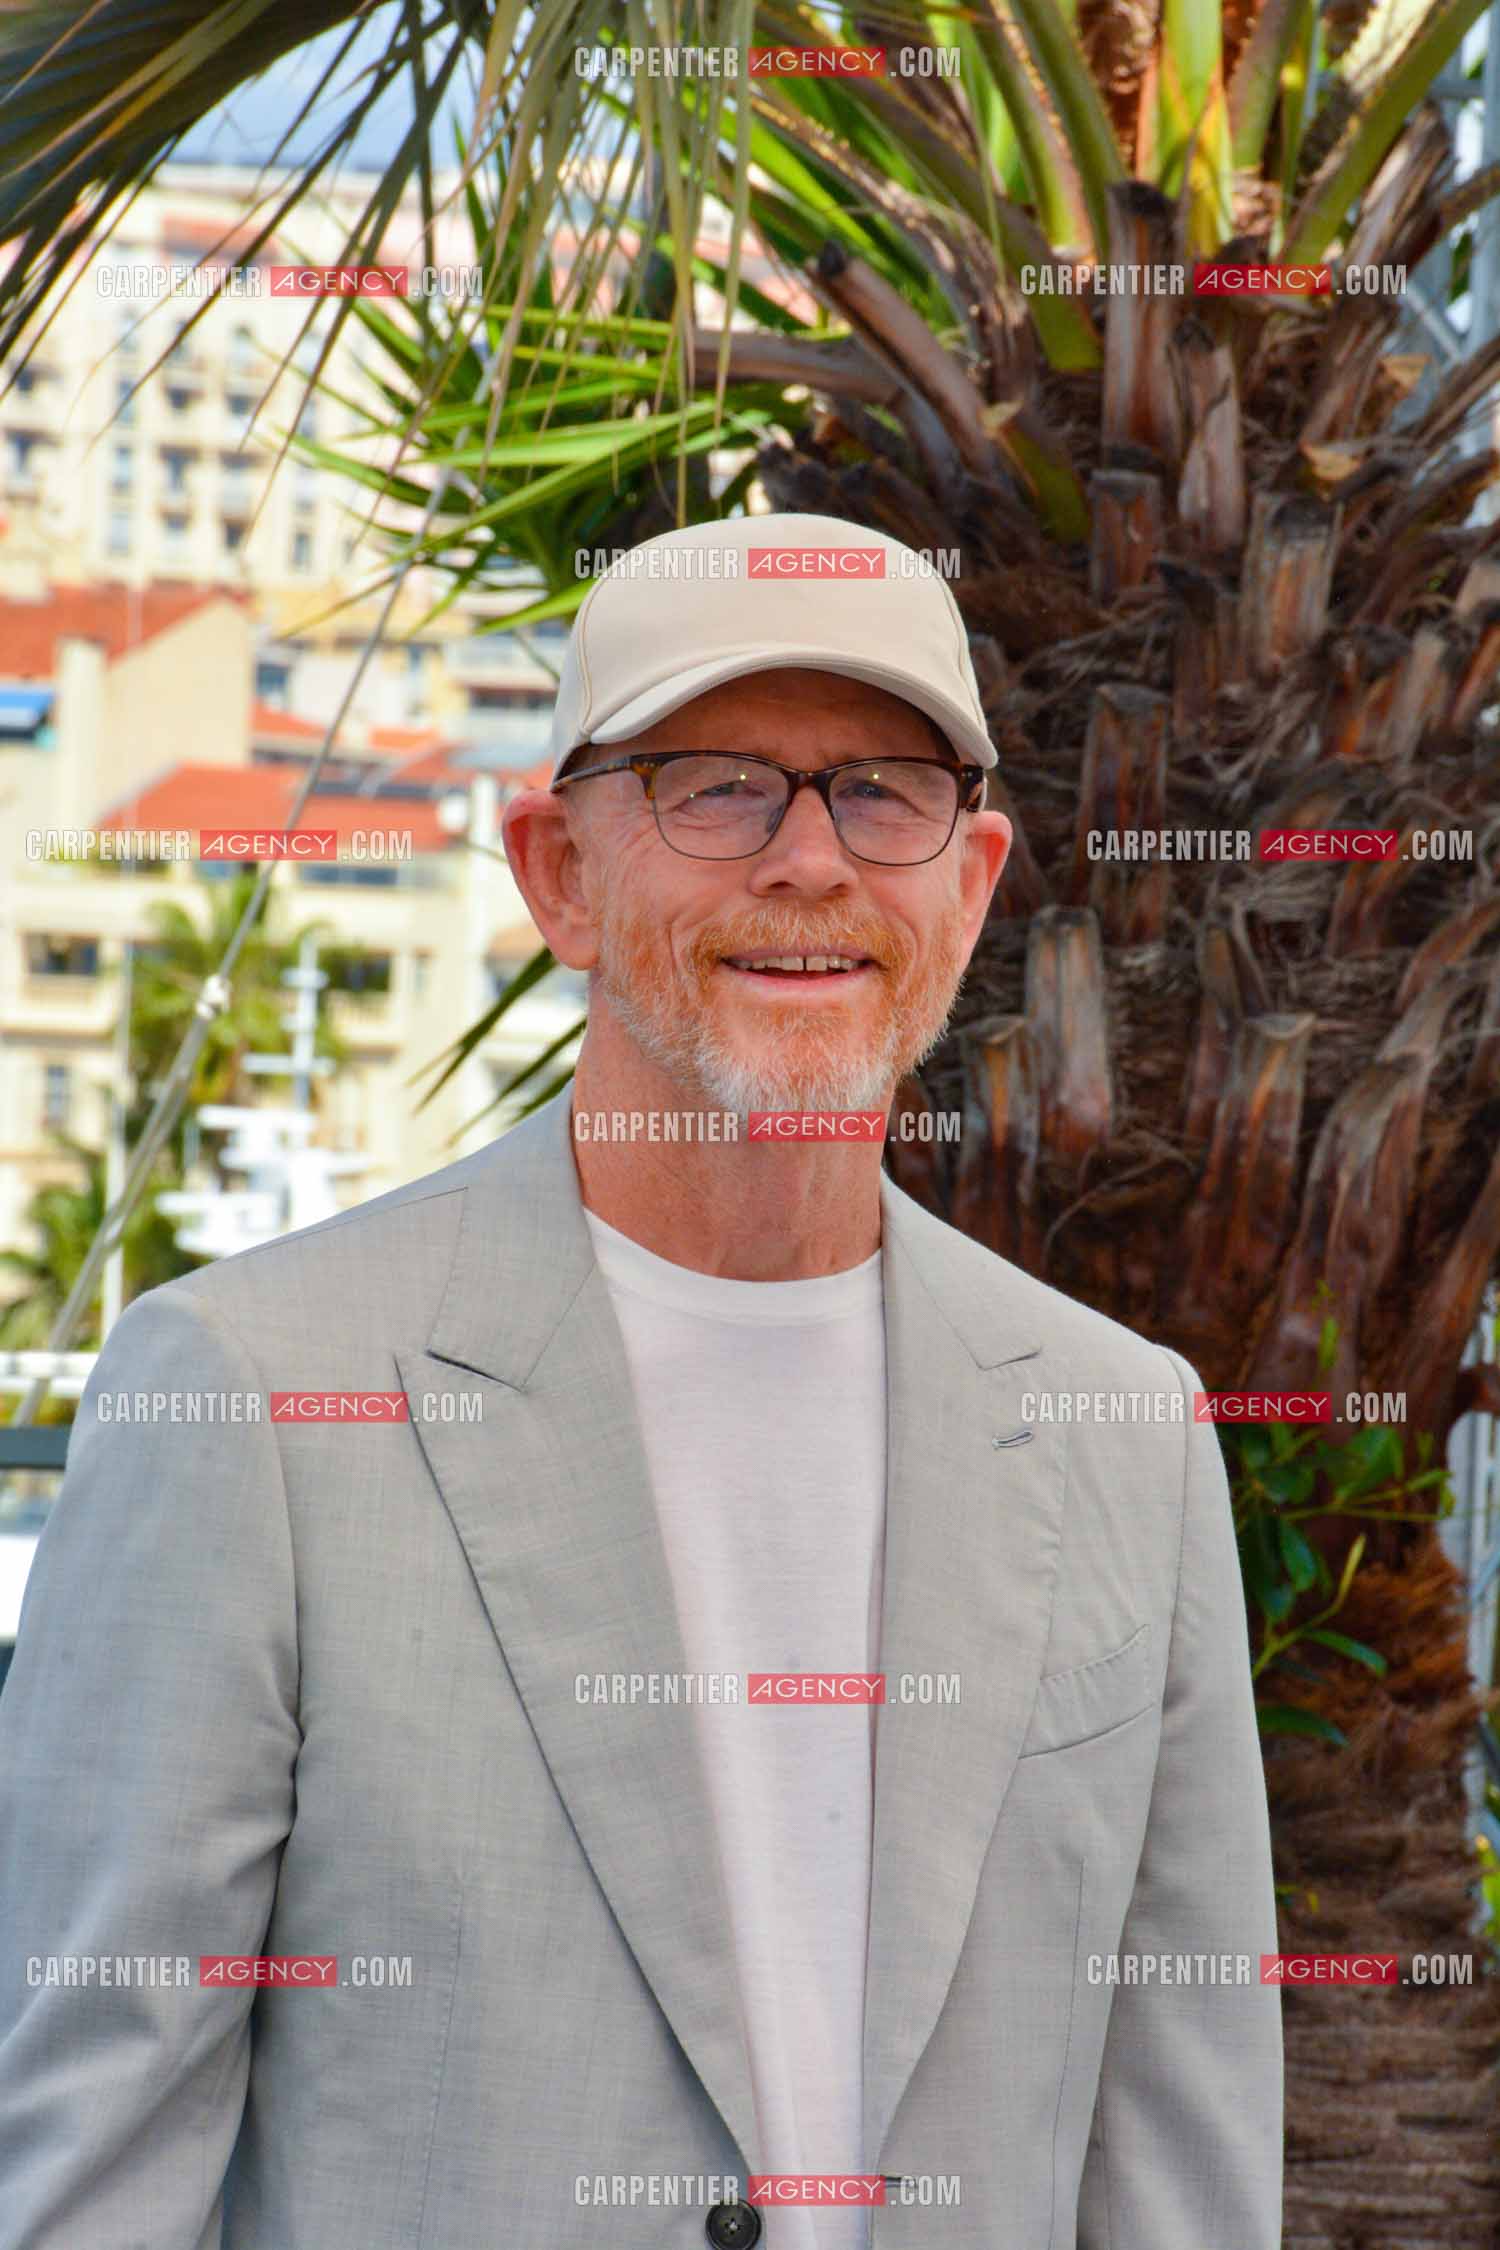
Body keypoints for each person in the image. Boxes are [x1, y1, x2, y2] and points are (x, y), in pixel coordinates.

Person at [0, 511, 1282, 2248]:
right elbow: (84, 2179)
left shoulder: (1125, 1433)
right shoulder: (247, 1404)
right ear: (559, 875)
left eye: (883, 789)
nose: (813, 862)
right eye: (718, 784)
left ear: (971, 886)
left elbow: (1183, 2167)